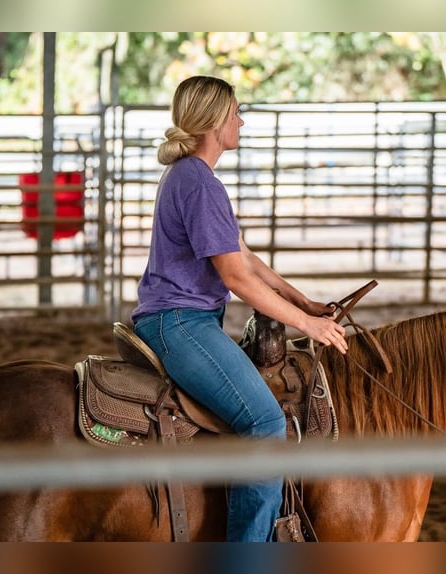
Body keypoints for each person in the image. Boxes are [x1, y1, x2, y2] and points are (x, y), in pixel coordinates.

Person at [131, 75, 348, 542]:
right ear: (214, 122)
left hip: (180, 319)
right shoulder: (201, 185)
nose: (241, 121)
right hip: (181, 322)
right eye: (234, 113)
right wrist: (306, 323)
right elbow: (235, 277)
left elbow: (245, 258)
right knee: (266, 423)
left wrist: (303, 301)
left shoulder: (193, 177)